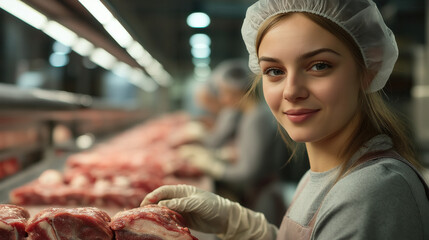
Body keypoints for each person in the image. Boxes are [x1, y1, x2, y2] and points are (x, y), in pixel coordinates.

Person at [141, 0, 429, 239]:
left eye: (319, 66)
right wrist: (238, 225)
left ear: (368, 70)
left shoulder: (371, 194)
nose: (291, 91)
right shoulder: (324, 174)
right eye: (274, 71)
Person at [179, 59, 292, 217]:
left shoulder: (256, 118)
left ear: (236, 91)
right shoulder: (251, 115)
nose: (223, 100)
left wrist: (215, 167)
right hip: (258, 191)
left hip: (263, 197)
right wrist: (222, 155)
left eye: (224, 93)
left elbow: (248, 171)